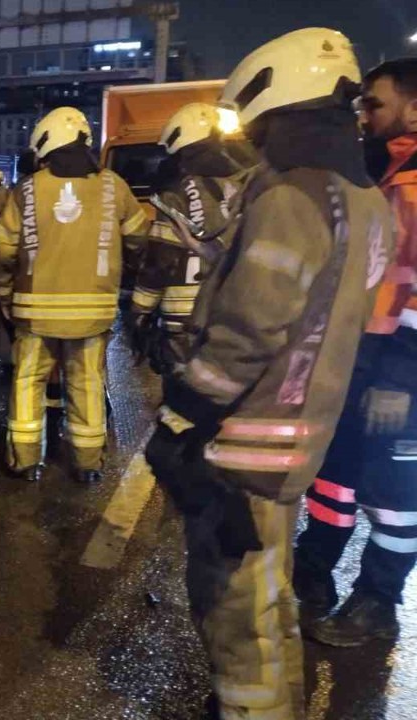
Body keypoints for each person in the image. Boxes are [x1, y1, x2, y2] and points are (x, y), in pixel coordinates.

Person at [143, 28, 392, 719]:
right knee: (270, 596)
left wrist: (182, 413)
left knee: (234, 610)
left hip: (247, 439)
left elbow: (251, 328)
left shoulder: (293, 195)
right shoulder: (365, 198)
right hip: (302, 430)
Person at [294, 57, 417, 648]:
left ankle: (378, 601)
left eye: (374, 103)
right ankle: (312, 577)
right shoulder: (381, 174)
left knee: (394, 498)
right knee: (334, 480)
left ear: (413, 109)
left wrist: (399, 375)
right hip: (360, 362)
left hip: (403, 373)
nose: (362, 114)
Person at [0, 107, 150, 484]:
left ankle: (26, 460)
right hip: (93, 310)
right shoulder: (114, 185)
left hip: (34, 311)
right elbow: (138, 236)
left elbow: (3, 247)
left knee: (28, 382)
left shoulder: (27, 189)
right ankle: (87, 464)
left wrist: (3, 289)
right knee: (87, 383)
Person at [131, 103, 248, 373]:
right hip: (230, 316)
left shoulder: (175, 195)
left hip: (183, 322)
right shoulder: (247, 186)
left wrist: (139, 311)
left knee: (182, 398)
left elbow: (160, 261)